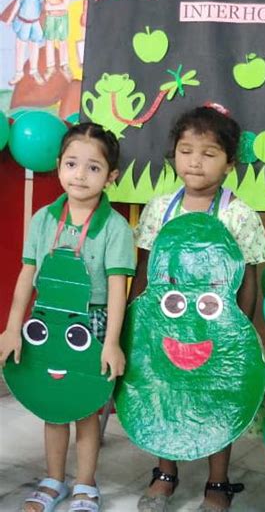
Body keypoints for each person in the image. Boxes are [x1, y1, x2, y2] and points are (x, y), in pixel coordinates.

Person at [130, 103, 265, 512]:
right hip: (165, 327)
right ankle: (165, 472)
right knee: (163, 394)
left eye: (209, 153)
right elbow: (145, 270)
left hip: (216, 331)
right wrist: (140, 325)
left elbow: (250, 282)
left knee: (216, 400)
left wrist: (235, 335)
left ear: (229, 164)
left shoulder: (238, 215)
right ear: (174, 153)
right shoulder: (159, 208)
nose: (196, 161)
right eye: (187, 150)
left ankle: (218, 481)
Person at [0, 123, 135, 512]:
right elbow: (28, 274)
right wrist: (13, 327)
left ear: (111, 176)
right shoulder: (43, 219)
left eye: (93, 168)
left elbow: (116, 289)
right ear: (58, 165)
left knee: (84, 408)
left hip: (91, 325)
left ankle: (85, 485)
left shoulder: (114, 227)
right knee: (52, 405)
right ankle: (53, 480)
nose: (80, 174)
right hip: (48, 321)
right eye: (72, 163)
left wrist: (111, 342)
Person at [2, 0, 45, 86]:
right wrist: (9, 20)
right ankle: (19, 72)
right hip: (23, 23)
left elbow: (44, 4)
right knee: (20, 48)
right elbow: (16, 7)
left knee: (34, 47)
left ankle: (33, 70)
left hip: (35, 24)